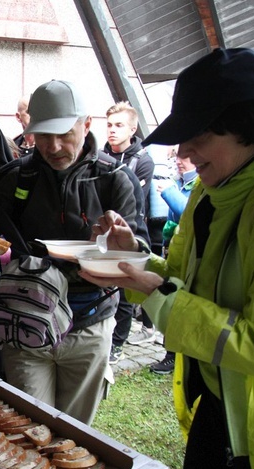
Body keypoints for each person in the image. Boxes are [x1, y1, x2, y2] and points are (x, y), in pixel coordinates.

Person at [80, 48, 254, 469]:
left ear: (247, 126)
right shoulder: (209, 191)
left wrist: (158, 292)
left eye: (197, 134)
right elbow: (179, 281)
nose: (183, 153)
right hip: (216, 408)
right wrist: (135, 257)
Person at [0, 79, 148, 425]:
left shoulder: (115, 178)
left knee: (75, 434)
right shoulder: (18, 176)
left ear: (86, 125)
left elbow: (143, 252)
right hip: (26, 321)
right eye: (43, 136)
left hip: (90, 322)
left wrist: (126, 246)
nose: (53, 147)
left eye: (64, 134)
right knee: (30, 428)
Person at [103, 101, 157, 364]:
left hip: (129, 231)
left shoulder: (142, 160)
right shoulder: (101, 156)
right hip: (102, 231)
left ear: (132, 128)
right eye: (109, 125)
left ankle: (117, 343)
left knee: (123, 291)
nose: (112, 131)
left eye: (119, 125)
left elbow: (134, 203)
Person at [146, 147, 199, 375]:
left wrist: (168, 192)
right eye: (177, 156)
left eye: (185, 155)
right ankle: (171, 354)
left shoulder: (197, 186)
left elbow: (188, 214)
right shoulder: (183, 183)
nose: (180, 161)